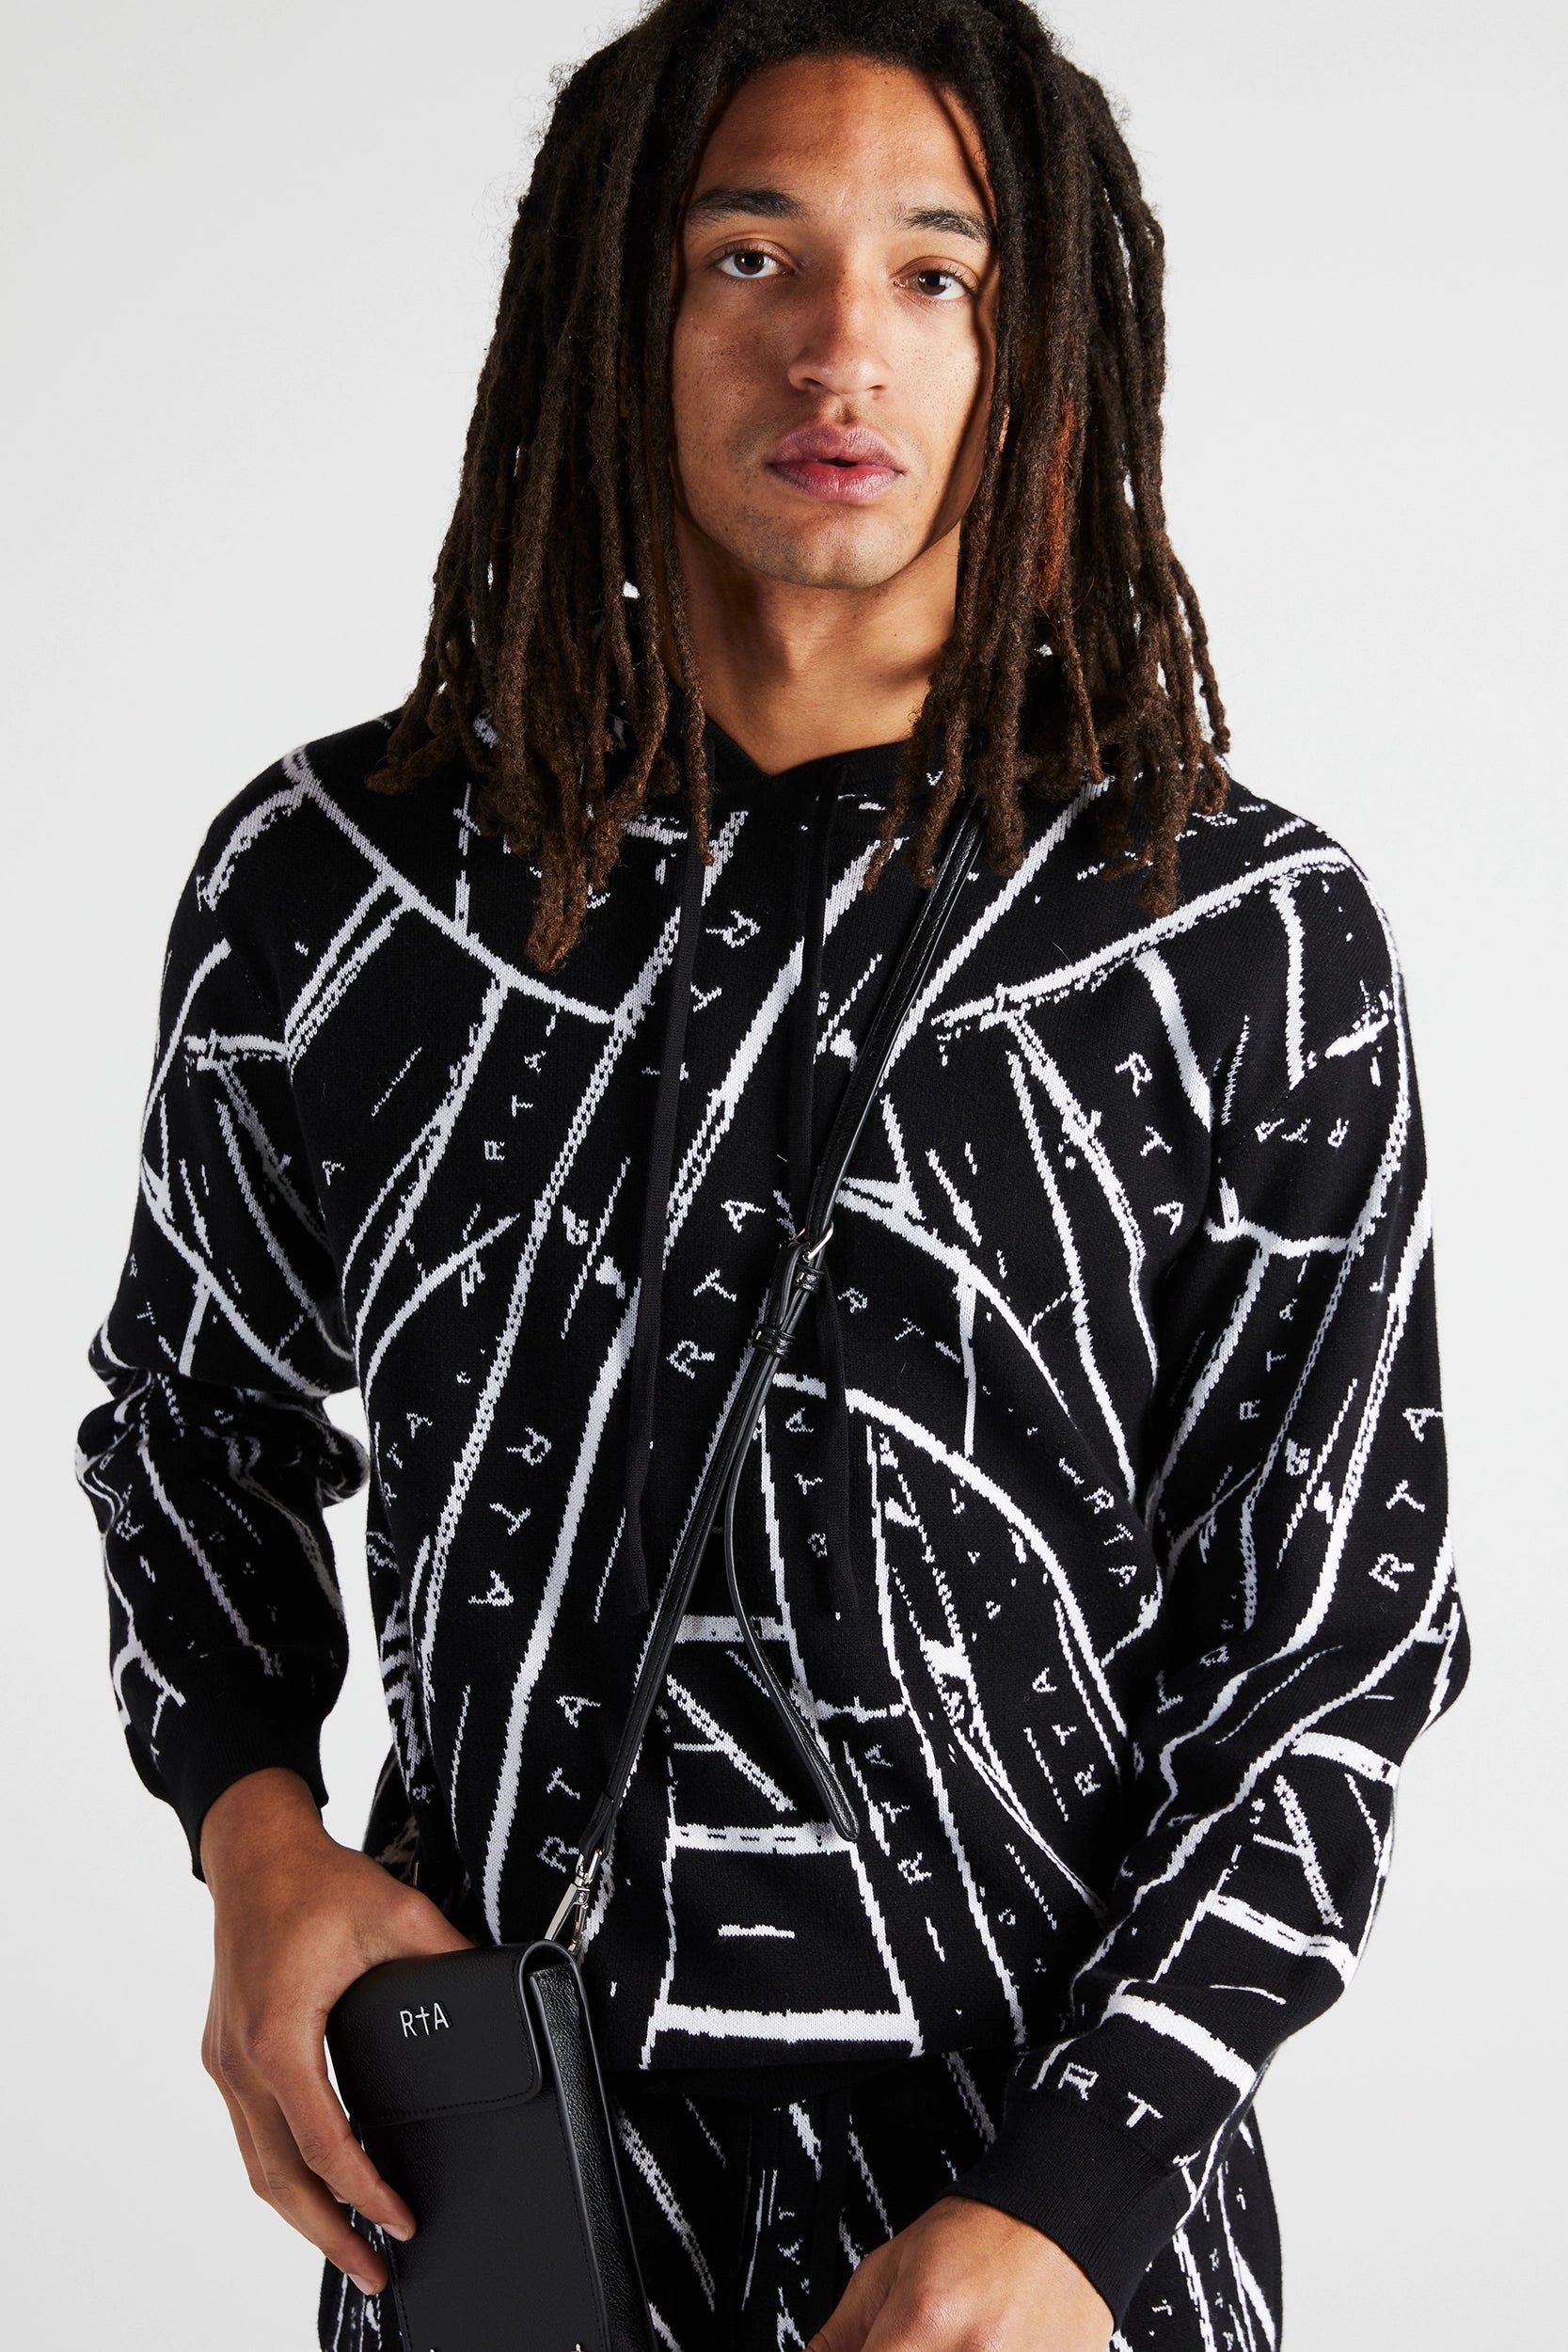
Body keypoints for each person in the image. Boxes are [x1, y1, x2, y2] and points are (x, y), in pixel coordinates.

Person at [75, 3, 1468, 2346]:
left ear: (1045, 342)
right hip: (495, 2192)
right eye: (750, 256)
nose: (843, 348)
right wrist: (255, 1838)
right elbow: (186, 1421)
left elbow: (1336, 1635)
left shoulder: (1236, 936)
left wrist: (1071, 2200)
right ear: (611, 306)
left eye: (938, 271)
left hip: (1054, 2228)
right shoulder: (334, 891)